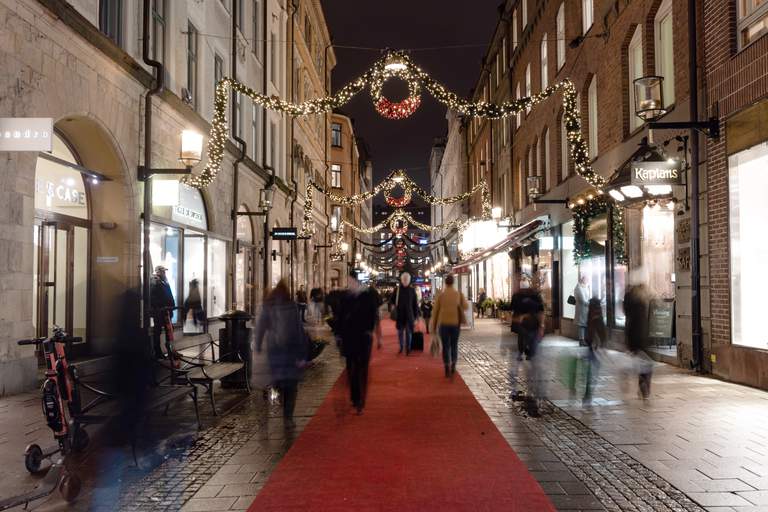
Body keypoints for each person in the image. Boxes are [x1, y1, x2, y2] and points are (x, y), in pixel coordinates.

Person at [254, 279, 308, 429]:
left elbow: (261, 327)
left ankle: (277, 390)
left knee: (279, 377)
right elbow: (299, 329)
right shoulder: (292, 306)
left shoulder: (268, 306)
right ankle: (288, 418)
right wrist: (303, 352)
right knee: (292, 384)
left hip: (275, 349)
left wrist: (258, 345)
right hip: (291, 349)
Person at [334, 270, 382, 415]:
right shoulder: (345, 297)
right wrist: (338, 335)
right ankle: (355, 397)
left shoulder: (367, 296)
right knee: (351, 369)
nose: (349, 284)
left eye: (351, 281)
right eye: (348, 281)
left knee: (362, 369)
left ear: (356, 281)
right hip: (349, 338)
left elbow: (373, 315)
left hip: (363, 338)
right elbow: (339, 317)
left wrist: (372, 331)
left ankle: (360, 400)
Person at [509, 286, 545, 416]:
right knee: (517, 361)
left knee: (533, 361)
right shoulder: (518, 296)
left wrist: (541, 326)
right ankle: (514, 390)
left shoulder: (535, 295)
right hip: (521, 332)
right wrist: (521, 319)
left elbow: (541, 312)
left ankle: (533, 390)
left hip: (532, 331)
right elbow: (513, 315)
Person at [431, 274, 468, 377]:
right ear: (453, 283)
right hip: (455, 324)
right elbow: (466, 306)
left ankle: (446, 365)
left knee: (446, 346)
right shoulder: (458, 294)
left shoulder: (441, 296)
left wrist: (433, 326)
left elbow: (435, 312)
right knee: (454, 345)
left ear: (445, 283)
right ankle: (453, 364)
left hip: (443, 324)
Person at [624, 280, 652, 399]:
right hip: (639, 341)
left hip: (635, 341)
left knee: (643, 365)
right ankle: (644, 389)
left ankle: (643, 388)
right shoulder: (639, 306)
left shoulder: (631, 306)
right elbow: (640, 326)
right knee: (647, 365)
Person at [583, 297, 608, 403]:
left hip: (592, 347)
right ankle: (588, 394)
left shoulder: (591, 315)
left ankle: (588, 394)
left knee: (591, 371)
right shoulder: (598, 316)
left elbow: (588, 333)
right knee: (594, 372)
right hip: (596, 347)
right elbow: (602, 332)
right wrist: (603, 343)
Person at [390, 272, 420, 355]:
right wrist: (393, 307)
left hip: (409, 315)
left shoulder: (412, 290)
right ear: (402, 280)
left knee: (408, 332)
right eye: (404, 279)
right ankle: (401, 346)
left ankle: (408, 348)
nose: (405, 281)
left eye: (407, 279)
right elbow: (391, 300)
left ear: (409, 280)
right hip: (400, 315)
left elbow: (415, 304)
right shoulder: (397, 289)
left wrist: (416, 316)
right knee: (400, 333)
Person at [150, 265, 175, 359]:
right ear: (158, 272)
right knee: (157, 332)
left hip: (166, 312)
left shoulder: (164, 281)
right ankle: (158, 353)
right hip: (160, 312)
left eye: (165, 272)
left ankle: (171, 351)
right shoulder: (154, 281)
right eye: (163, 271)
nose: (165, 273)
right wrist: (160, 307)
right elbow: (153, 298)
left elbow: (169, 295)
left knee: (170, 331)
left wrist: (171, 307)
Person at [573, 275, 590, 344]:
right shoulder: (579, 288)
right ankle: (581, 340)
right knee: (581, 325)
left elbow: (587, 298)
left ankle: (583, 339)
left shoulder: (585, 287)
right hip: (582, 309)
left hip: (585, 309)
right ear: (582, 279)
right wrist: (590, 304)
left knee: (584, 324)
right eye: (586, 279)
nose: (587, 281)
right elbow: (582, 300)